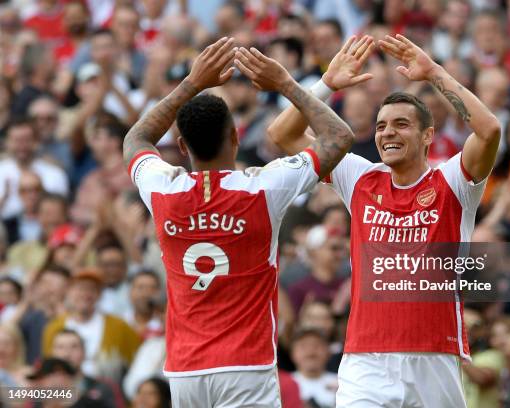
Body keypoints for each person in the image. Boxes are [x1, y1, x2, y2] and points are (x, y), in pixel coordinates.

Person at [268, 34, 501, 407]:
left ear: (428, 136)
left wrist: (434, 73)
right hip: (366, 359)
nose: (388, 132)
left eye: (401, 124)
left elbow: (489, 130)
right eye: (380, 126)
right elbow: (283, 133)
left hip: (433, 355)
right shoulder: (359, 176)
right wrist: (327, 83)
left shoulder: (453, 181)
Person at [122, 36, 354, 407]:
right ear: (234, 136)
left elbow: (137, 137)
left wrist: (192, 83)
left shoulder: (161, 189)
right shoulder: (262, 187)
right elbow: (339, 136)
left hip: (184, 370)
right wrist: (285, 84)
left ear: (181, 146)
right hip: (247, 364)